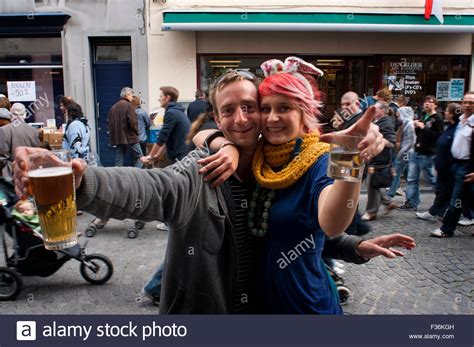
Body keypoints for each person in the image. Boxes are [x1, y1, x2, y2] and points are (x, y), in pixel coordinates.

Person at [14, 69, 415, 314]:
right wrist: (84, 182)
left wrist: (351, 247)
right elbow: (153, 188)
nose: (242, 118)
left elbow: (298, 229)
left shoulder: (279, 167)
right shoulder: (201, 170)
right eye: (228, 110)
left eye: (250, 107)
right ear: (218, 118)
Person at [196, 58, 413, 314]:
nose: (273, 118)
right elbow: (204, 132)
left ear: (304, 114)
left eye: (284, 107)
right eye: (265, 108)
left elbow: (331, 223)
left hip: (306, 306)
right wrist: (225, 145)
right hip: (256, 307)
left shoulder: (319, 159)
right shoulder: (256, 156)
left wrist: (349, 154)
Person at [431, 92, 474, 238]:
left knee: (457, 198)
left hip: (467, 166)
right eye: (465, 102)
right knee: (466, 197)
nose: (467, 105)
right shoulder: (461, 120)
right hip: (454, 164)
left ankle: (447, 228)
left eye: (471, 103)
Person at [415, 103, 461, 222]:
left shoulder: (456, 127)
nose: (445, 112)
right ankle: (436, 211)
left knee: (448, 191)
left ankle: (457, 215)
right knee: (442, 190)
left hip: (449, 165)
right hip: (442, 165)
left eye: (447, 111)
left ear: (451, 114)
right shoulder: (450, 126)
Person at [399, 95, 444, 211]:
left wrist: (424, 128)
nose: (427, 104)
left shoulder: (437, 118)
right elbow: (420, 134)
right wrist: (417, 127)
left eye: (430, 102)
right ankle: (412, 202)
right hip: (417, 151)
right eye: (425, 102)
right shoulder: (424, 116)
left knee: (431, 179)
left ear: (435, 105)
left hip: (427, 154)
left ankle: (443, 200)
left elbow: (438, 137)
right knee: (412, 178)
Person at [362, 102, 396, 221]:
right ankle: (388, 202)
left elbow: (391, 142)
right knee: (372, 183)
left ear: (382, 110)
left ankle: (371, 212)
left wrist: (378, 141)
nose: (373, 111)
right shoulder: (376, 122)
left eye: (375, 109)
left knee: (372, 184)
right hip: (372, 157)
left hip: (379, 158)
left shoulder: (386, 123)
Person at [141, 86, 190, 167]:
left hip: (180, 157)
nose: (159, 99)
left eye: (161, 96)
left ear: (167, 98)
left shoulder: (171, 113)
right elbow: (167, 138)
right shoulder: (176, 111)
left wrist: (150, 156)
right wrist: (157, 155)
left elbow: (162, 137)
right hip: (182, 155)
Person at [0, 104, 40, 178]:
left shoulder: (4, 130)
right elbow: (36, 155)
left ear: (10, 114)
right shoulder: (34, 131)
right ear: (25, 115)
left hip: (10, 175)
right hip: (29, 172)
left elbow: (2, 157)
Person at [385, 105, 416, 201]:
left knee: (396, 173)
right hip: (405, 153)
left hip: (405, 153)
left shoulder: (409, 124)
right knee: (409, 177)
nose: (397, 117)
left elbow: (411, 142)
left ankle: (390, 195)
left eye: (398, 115)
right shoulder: (405, 124)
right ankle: (412, 199)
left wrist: (400, 153)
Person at [107, 87, 143, 168]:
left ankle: (117, 176)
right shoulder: (129, 106)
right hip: (130, 137)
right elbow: (133, 122)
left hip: (119, 138)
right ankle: (136, 176)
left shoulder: (114, 107)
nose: (132, 98)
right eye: (132, 95)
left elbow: (108, 122)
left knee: (119, 158)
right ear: (127, 95)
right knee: (140, 157)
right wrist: (136, 132)